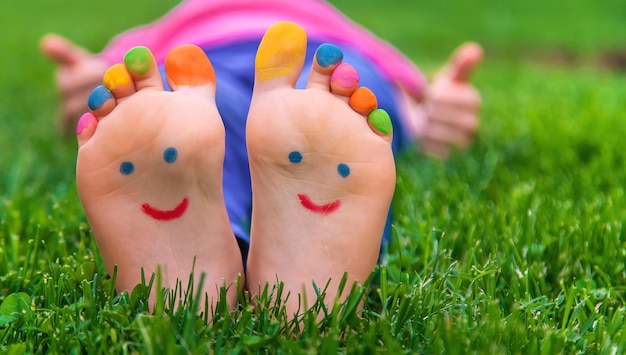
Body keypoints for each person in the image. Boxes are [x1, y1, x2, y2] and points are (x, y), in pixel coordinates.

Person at [41, 1, 482, 318]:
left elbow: (412, 96)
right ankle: (276, 273)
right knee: (179, 128)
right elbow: (108, 90)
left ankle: (208, 271)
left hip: (302, 70)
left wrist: (437, 112)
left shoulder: (328, 14)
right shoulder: (179, 16)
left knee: (331, 122)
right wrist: (87, 83)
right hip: (230, 68)